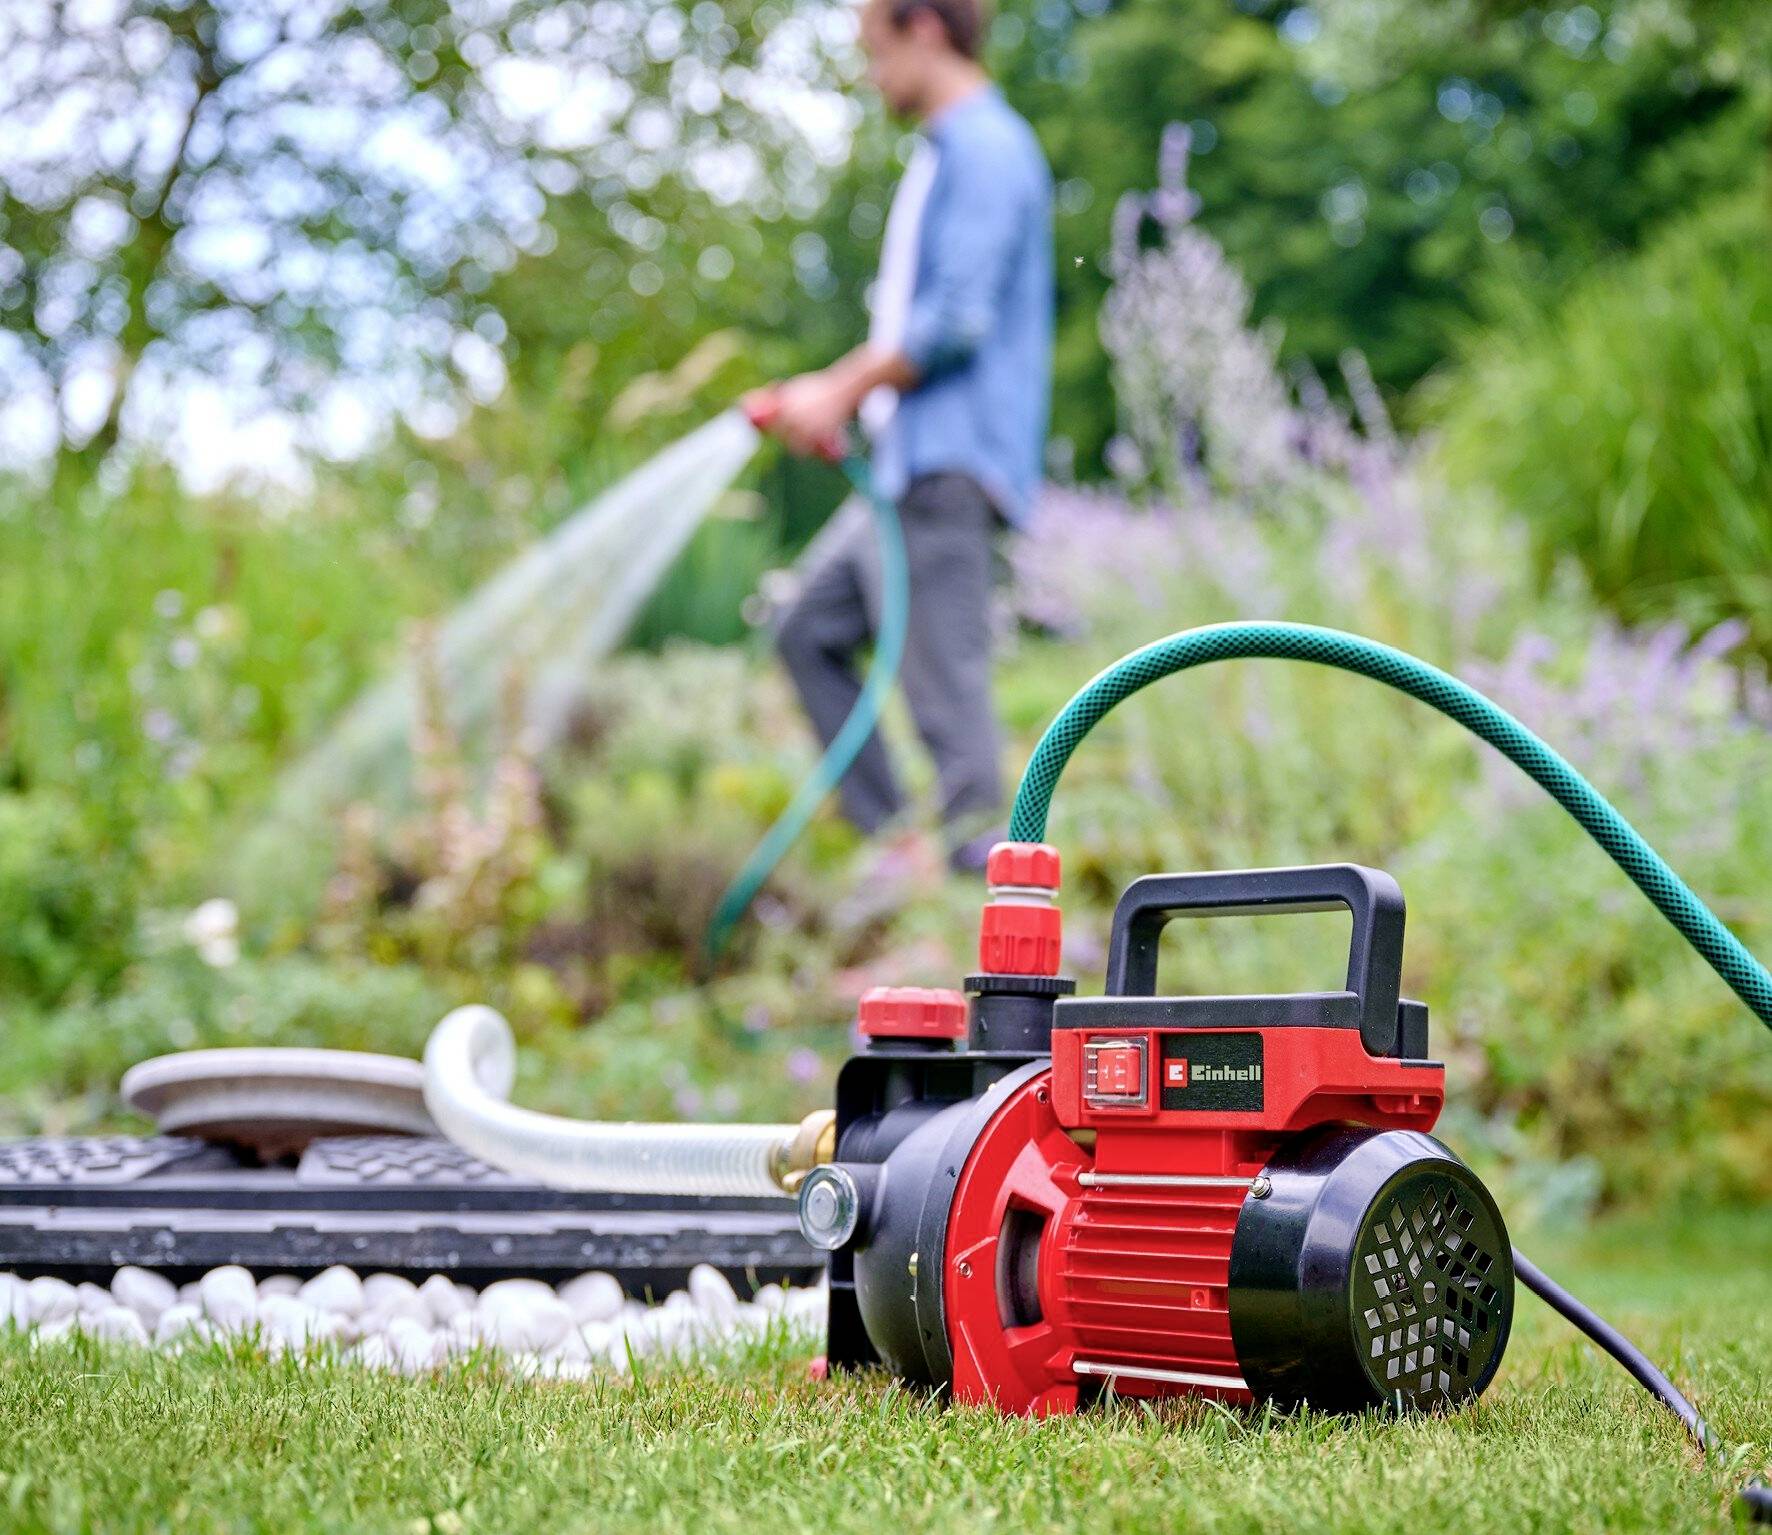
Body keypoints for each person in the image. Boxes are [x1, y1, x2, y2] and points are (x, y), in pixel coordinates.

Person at [755, 0, 1053, 874]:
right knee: (805, 630)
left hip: (947, 467)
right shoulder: (941, 155)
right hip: (903, 464)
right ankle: (893, 851)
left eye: (874, 50)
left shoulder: (987, 148)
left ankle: (976, 919)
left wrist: (837, 388)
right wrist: (842, 403)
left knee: (949, 710)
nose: (869, 73)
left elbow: (956, 322)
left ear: (924, 27)